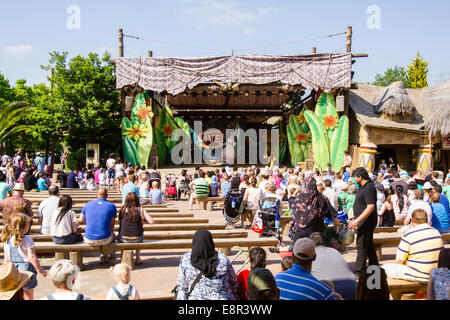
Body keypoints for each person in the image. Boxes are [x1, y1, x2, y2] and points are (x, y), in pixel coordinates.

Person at [381, 209, 443, 282]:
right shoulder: (436, 233)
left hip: (417, 275)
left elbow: (399, 260)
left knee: (383, 268)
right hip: (435, 274)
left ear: (412, 220)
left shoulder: (409, 235)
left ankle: (388, 292)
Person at [175, 229, 238, 300]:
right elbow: (234, 282)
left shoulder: (186, 259)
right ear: (210, 242)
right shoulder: (222, 259)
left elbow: (182, 287)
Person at [1, 213, 47, 300]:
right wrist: (40, 270)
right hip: (26, 272)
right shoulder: (28, 241)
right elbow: (32, 257)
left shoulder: (8, 241)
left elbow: (6, 261)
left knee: (16, 295)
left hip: (13, 272)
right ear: (24, 228)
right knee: (28, 297)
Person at [348, 167, 379, 277]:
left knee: (361, 246)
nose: (354, 179)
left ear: (360, 177)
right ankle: (375, 268)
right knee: (368, 245)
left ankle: (358, 271)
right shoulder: (363, 186)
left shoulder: (369, 187)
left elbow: (370, 207)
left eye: (355, 177)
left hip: (367, 222)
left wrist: (357, 220)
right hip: (363, 220)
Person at [309, 232, 357, 300]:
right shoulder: (335, 251)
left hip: (330, 293)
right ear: (324, 242)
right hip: (353, 289)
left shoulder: (310, 255)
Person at [290, 176, 334, 242]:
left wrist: (293, 195)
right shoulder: (322, 197)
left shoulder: (300, 197)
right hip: (317, 230)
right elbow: (330, 211)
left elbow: (292, 204)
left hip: (301, 230)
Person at [79, 187, 117, 263]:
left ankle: (104, 255)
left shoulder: (87, 205)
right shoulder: (112, 206)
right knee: (113, 235)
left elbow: (81, 220)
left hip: (89, 238)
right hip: (105, 239)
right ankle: (107, 254)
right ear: (107, 195)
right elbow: (112, 225)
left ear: (97, 195)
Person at [118, 192, 154, 265]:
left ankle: (122, 257)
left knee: (120, 234)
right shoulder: (140, 209)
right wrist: (142, 219)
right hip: (137, 238)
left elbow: (120, 222)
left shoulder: (122, 209)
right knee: (140, 234)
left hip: (123, 238)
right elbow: (151, 221)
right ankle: (137, 258)